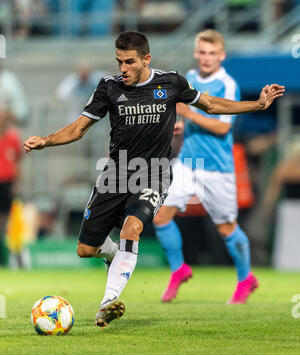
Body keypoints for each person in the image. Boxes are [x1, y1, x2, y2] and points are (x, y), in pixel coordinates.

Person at [24, 31, 284, 328]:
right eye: (119, 61)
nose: (123, 68)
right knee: (86, 249)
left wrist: (257, 104)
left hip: (155, 173)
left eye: (130, 62)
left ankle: (108, 302)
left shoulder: (171, 82)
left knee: (132, 228)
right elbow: (78, 129)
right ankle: (114, 257)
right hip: (116, 175)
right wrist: (46, 140)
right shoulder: (108, 87)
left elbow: (211, 105)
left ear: (146, 59)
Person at [153, 29, 260, 304]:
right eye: (202, 52)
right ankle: (179, 270)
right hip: (189, 162)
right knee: (160, 216)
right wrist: (180, 124)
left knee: (227, 229)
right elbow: (191, 117)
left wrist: (188, 114)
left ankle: (245, 277)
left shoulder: (228, 84)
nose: (207, 57)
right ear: (195, 52)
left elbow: (223, 127)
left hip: (218, 168)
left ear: (222, 55)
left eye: (212, 53)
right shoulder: (189, 78)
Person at [0, 106, 22, 266]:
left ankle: (6, 252)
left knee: (6, 219)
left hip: (7, 182)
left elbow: (18, 161)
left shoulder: (13, 138)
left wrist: (16, 183)